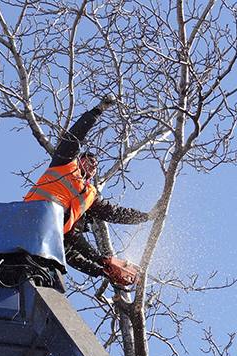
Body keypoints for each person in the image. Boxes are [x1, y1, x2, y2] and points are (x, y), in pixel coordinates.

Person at [24, 95, 156, 285]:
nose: (93, 166)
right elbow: (75, 136)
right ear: (79, 160)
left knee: (52, 276)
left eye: (96, 165)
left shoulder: (88, 196)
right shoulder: (64, 164)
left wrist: (102, 267)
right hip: (31, 217)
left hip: (47, 237)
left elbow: (112, 214)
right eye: (90, 160)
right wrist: (97, 111)